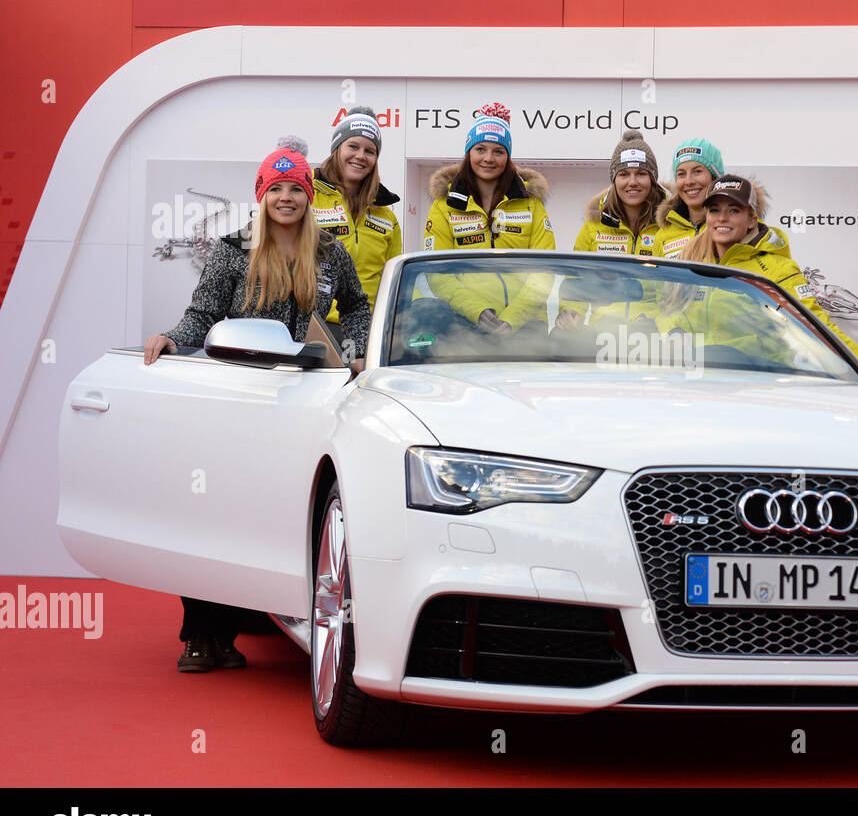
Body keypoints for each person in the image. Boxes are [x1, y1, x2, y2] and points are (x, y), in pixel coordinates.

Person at [143, 137, 372, 672]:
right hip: (236, 400)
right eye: (277, 188)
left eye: (296, 188)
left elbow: (359, 306)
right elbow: (202, 313)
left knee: (261, 511)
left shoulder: (330, 250)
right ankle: (200, 635)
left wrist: (356, 351)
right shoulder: (233, 248)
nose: (286, 198)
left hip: (302, 402)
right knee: (214, 510)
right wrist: (173, 338)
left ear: (309, 196)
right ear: (262, 195)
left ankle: (249, 624)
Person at [665, 176, 858, 365]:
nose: (722, 218)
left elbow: (817, 327)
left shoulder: (776, 269)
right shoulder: (696, 262)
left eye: (734, 210)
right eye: (715, 210)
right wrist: (674, 331)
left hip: (760, 379)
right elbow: (675, 313)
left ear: (752, 219)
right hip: (700, 376)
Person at [422, 102, 556, 337]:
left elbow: (544, 270)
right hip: (465, 323)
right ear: (468, 153)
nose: (488, 158)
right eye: (480, 149)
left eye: (498, 151)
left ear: (508, 156)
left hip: (527, 326)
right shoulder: (444, 206)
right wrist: (478, 311)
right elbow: (437, 273)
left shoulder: (531, 204)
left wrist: (513, 318)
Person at [565, 130, 668, 328]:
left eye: (641, 174)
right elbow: (576, 278)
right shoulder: (594, 227)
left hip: (654, 333)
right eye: (624, 174)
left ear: (652, 179)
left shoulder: (669, 226)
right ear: (614, 180)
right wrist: (571, 311)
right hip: (603, 329)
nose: (632, 182)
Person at [312, 107, 402, 328]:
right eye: (353, 146)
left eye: (370, 151)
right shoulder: (308, 198)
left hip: (367, 327)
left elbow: (393, 280)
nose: (360, 156)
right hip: (315, 324)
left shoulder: (386, 215)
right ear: (336, 149)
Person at [655, 138, 724, 257]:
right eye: (681, 174)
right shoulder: (663, 235)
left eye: (697, 171)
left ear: (715, 178)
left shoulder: (733, 226)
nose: (689, 181)